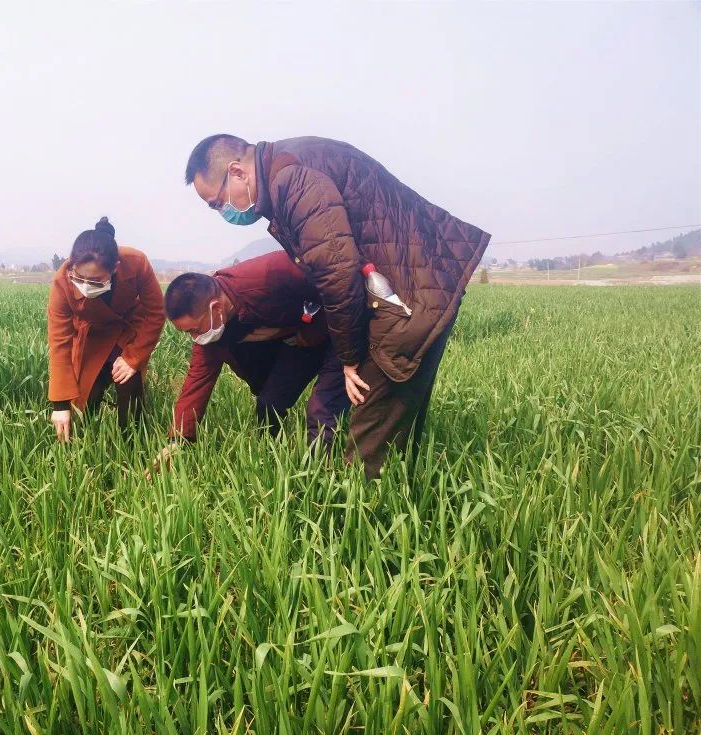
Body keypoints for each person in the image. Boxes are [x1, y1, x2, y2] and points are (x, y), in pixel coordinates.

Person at [184, 135, 490, 478]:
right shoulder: (292, 164)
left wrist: (348, 359)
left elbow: (337, 273)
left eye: (216, 202)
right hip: (426, 284)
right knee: (397, 429)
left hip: (406, 298)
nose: (220, 211)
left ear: (237, 172)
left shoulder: (290, 181)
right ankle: (407, 502)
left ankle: (359, 522)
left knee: (367, 448)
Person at [153, 251, 350, 469]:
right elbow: (197, 380)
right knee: (269, 403)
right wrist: (179, 439)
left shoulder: (271, 273)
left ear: (215, 308)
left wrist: (313, 330)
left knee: (321, 411)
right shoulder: (212, 331)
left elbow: (338, 287)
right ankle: (274, 455)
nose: (194, 338)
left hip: (341, 329)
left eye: (194, 329)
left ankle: (321, 476)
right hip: (299, 341)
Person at [47, 217, 165, 441]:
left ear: (115, 269)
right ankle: (86, 445)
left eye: (96, 281)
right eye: (79, 278)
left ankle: (132, 445)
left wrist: (134, 357)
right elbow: (59, 342)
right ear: (71, 264)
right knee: (86, 398)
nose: (86, 286)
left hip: (128, 328)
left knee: (128, 381)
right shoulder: (62, 281)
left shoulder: (136, 262)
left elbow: (156, 312)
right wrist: (59, 405)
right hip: (93, 333)